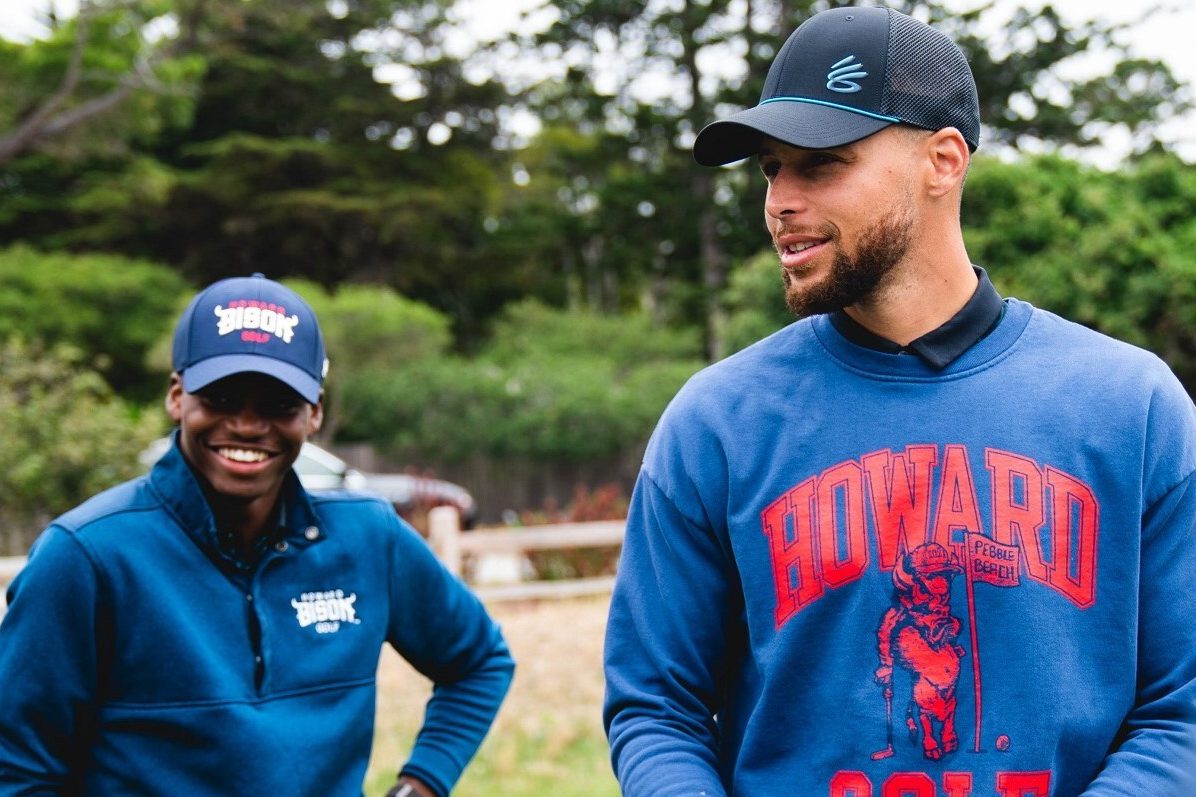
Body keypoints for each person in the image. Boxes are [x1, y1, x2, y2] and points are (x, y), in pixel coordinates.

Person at [603, 6, 1196, 796]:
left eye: (820, 164)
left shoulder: (1131, 406)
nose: (780, 200)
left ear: (944, 160)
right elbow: (655, 707)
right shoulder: (717, 423)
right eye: (771, 168)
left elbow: (1181, 708)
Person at [0, 274, 514, 796]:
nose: (247, 425)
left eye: (278, 403)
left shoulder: (368, 537)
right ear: (177, 397)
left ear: (313, 413)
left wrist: (421, 784)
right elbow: (17, 770)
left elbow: (478, 660)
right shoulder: (87, 555)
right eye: (222, 397)